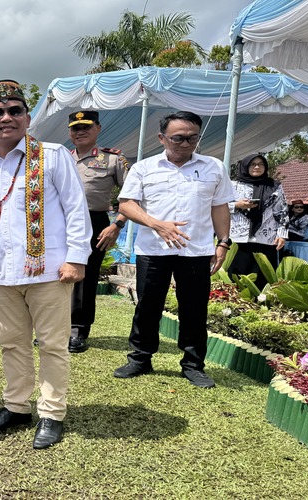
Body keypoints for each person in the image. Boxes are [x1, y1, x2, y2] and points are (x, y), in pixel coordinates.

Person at [0, 80, 91, 449]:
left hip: (49, 271)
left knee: (52, 345)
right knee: (12, 343)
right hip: (2, 274)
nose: (6, 117)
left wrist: (76, 258)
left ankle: (51, 413)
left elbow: (76, 210)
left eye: (15, 110)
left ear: (27, 118)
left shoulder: (53, 155)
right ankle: (16, 407)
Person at [114, 111, 235, 389]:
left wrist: (223, 242)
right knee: (148, 306)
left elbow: (219, 207)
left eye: (192, 138)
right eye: (178, 138)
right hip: (153, 249)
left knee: (194, 309)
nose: (185, 143)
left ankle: (193, 365)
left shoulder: (214, 167)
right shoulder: (144, 168)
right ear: (162, 138)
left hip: (196, 250)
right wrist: (157, 225)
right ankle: (140, 358)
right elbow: (127, 205)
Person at [67, 110, 130, 352]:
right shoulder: (62, 158)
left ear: (98, 128)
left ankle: (78, 330)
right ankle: (54, 327)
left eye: (86, 126)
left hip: (94, 222)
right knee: (55, 274)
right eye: (75, 128)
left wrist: (117, 224)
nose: (80, 132)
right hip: (61, 223)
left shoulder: (113, 159)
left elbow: (132, 195)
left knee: (85, 276)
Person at [228, 153, 289, 290]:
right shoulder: (232, 185)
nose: (257, 167)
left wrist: (282, 235)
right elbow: (219, 207)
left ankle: (261, 302)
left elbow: (282, 211)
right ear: (245, 166)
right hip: (238, 240)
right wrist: (237, 205)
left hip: (265, 239)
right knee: (235, 278)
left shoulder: (274, 186)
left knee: (263, 280)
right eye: (253, 164)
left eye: (261, 164)